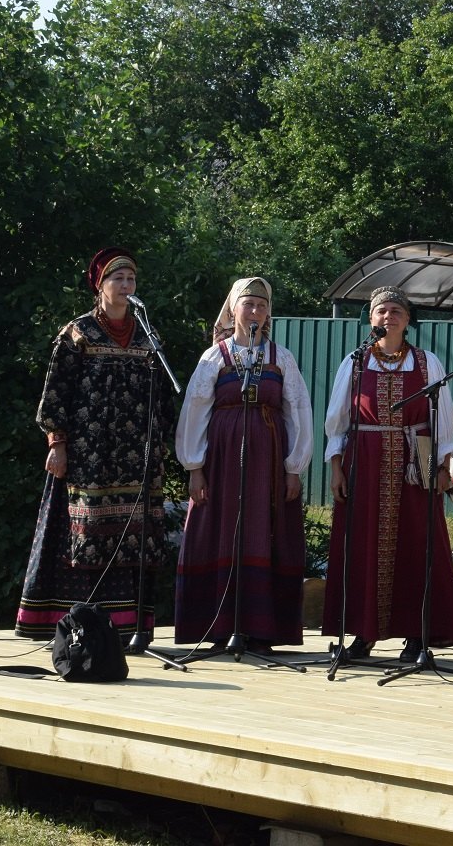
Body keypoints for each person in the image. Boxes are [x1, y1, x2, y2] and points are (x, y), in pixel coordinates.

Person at [17, 247, 172, 639]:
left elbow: (164, 400)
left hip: (138, 458)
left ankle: (130, 628)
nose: (125, 286)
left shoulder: (149, 338)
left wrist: (162, 444)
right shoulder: (78, 333)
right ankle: (79, 627)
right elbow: (55, 393)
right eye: (117, 279)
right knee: (84, 536)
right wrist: (57, 442)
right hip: (89, 456)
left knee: (134, 539)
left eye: (131, 279)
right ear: (100, 286)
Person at [322, 286, 453, 661]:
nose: (389, 317)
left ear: (408, 319)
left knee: (417, 545)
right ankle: (362, 633)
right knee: (362, 546)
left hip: (413, 464)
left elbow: (442, 421)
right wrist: (337, 467)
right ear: (371, 318)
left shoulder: (426, 362)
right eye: (382, 311)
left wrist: (441, 466)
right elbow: (337, 422)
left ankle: (417, 635)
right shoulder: (354, 362)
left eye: (397, 311)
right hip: (364, 464)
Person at [174, 277, 312, 651]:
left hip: (268, 462)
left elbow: (296, 411)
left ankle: (261, 629)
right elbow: (195, 411)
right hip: (221, 462)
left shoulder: (281, 357)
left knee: (264, 533)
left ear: (268, 313)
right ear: (233, 309)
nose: (254, 311)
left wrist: (293, 467)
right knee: (220, 531)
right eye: (248, 304)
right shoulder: (214, 357)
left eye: (261, 306)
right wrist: (195, 467)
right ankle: (219, 628)